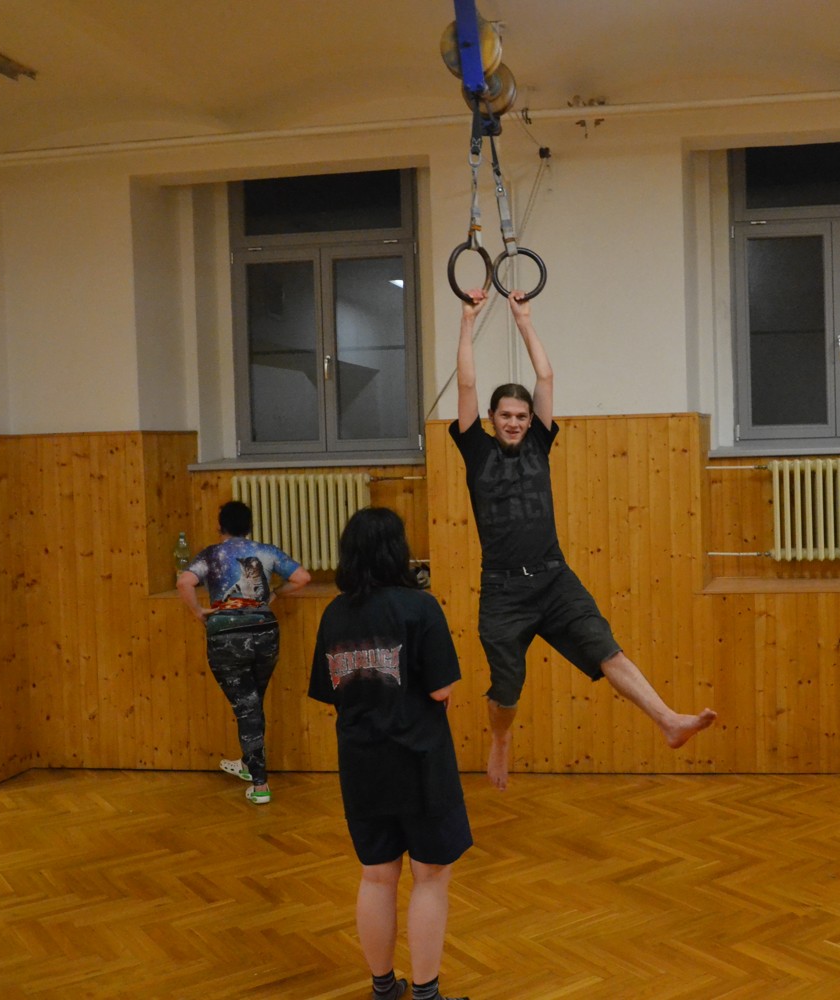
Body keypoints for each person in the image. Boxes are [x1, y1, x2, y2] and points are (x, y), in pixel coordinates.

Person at [452, 288, 717, 790]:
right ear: (491, 419)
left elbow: (546, 377)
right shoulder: (476, 450)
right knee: (506, 689)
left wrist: (524, 320)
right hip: (503, 591)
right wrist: (468, 321)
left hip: (554, 579)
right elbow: (466, 381)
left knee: (606, 649)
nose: (514, 422)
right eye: (506, 415)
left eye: (521, 416)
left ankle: (667, 720)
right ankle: (501, 740)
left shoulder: (539, 443)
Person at [309, 507, 471, 1000]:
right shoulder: (420, 606)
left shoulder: (334, 614)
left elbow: (330, 690)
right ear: (396, 551)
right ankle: (426, 994)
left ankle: (383, 988)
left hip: (362, 764)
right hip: (419, 761)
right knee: (430, 876)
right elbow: (441, 689)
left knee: (377, 877)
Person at [177, 500, 311, 805]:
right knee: (252, 702)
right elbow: (302, 578)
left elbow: (185, 581)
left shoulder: (211, 554)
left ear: (219, 526)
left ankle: (260, 784)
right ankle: (249, 763)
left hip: (227, 636)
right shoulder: (266, 551)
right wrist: (275, 594)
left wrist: (198, 612)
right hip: (266, 634)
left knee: (247, 707)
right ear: (249, 526)